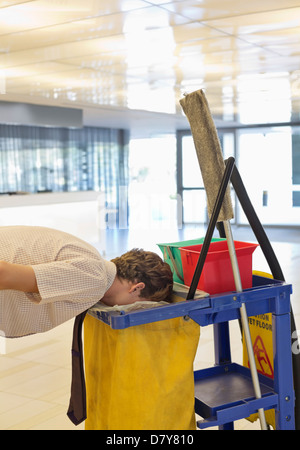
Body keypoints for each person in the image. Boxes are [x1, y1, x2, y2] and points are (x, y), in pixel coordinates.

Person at [0, 225, 173, 338]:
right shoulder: (94, 278)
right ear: (136, 288)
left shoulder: (94, 264)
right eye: (138, 305)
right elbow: (3, 274)